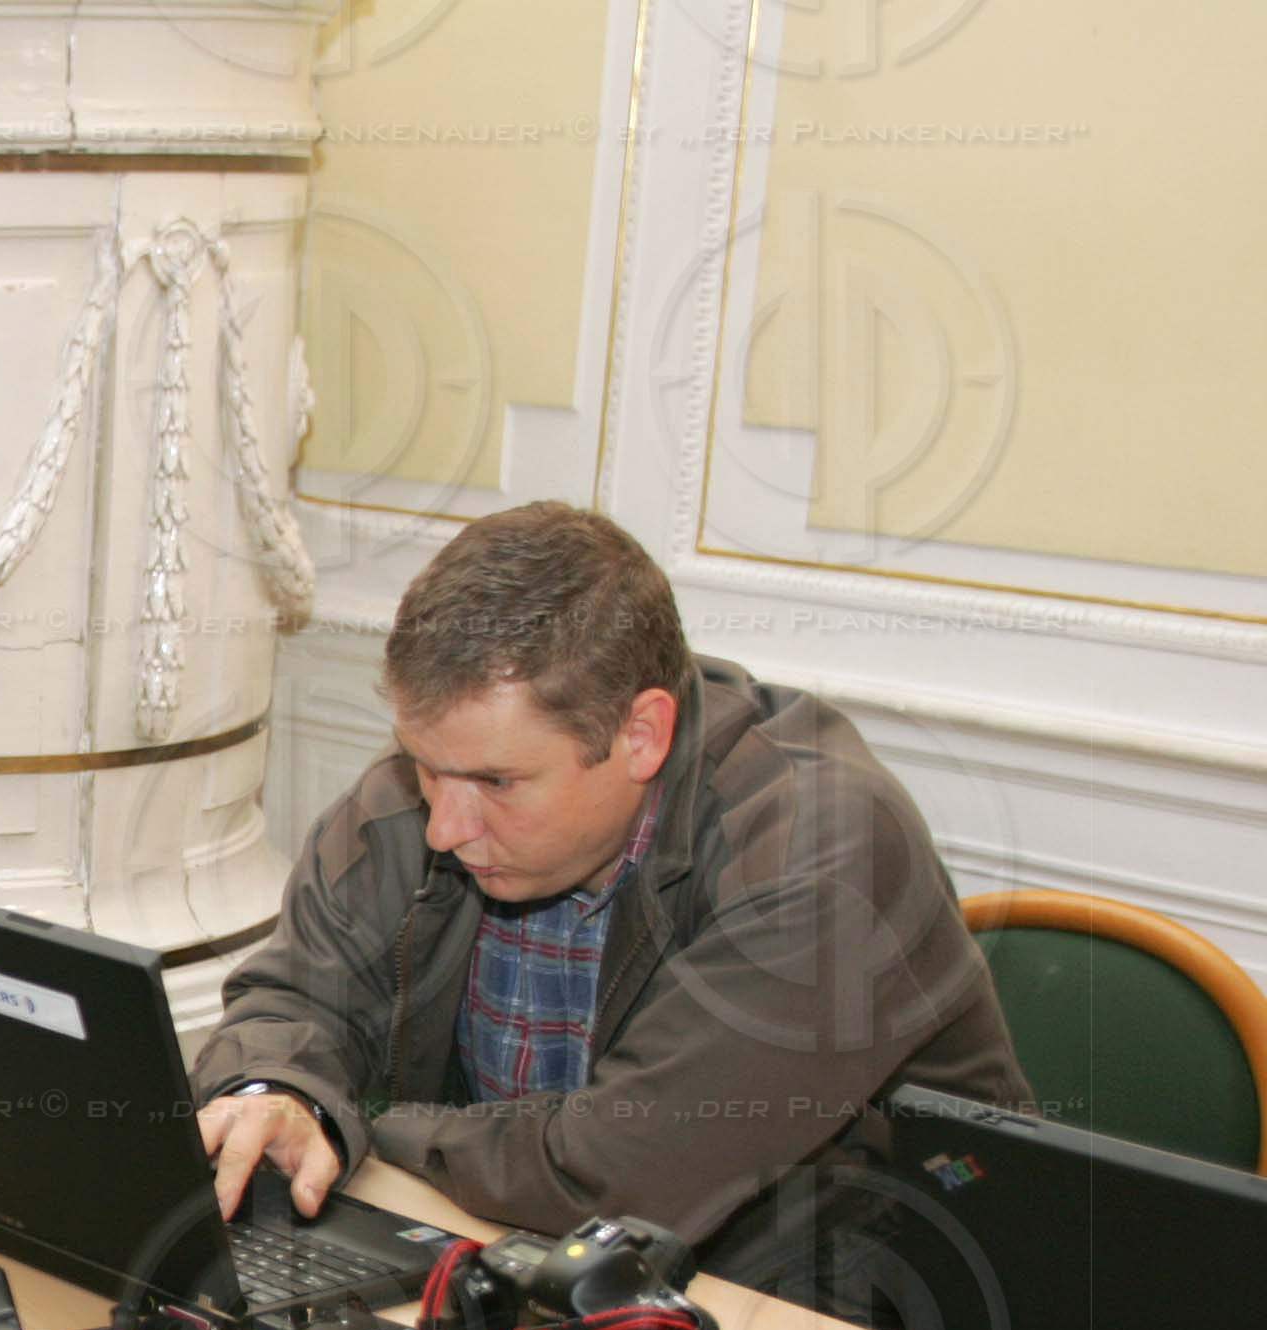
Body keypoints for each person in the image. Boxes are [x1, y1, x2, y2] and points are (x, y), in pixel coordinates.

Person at [189, 500, 1029, 1272]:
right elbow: (297, 998)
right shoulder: (440, 784)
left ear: (642, 734)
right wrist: (280, 1090)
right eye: (426, 768)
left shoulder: (826, 850)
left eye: (497, 784)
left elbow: (623, 1169)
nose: (445, 825)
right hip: (549, 1278)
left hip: (857, 1328)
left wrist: (364, 1126)